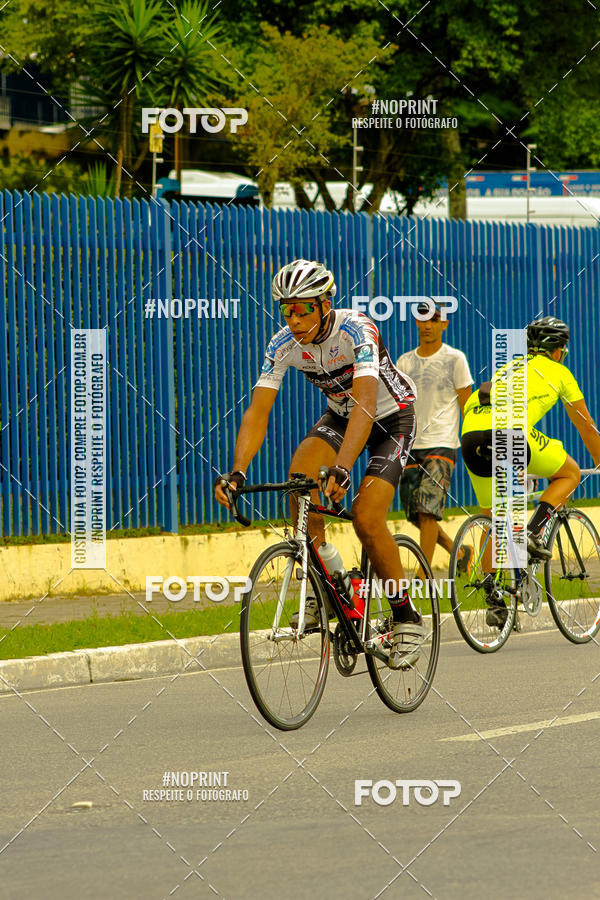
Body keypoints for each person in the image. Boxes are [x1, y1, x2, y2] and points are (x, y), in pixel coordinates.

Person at [214, 258, 423, 669]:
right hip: (342, 416)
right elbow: (258, 412)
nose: (293, 319)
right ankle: (326, 583)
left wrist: (344, 467)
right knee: (298, 484)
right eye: (286, 310)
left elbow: (365, 401)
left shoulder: (357, 329)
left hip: (390, 417)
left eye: (303, 308)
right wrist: (237, 471)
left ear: (326, 304)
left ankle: (405, 616)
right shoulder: (282, 345)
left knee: (365, 517)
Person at [460, 315, 600, 626]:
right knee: (570, 473)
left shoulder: (507, 368)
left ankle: (494, 597)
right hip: (509, 434)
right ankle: (534, 533)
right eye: (563, 350)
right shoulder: (559, 372)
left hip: (470, 435)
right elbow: (586, 426)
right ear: (556, 351)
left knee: (494, 521)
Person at [396, 302, 474, 570]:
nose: (428, 325)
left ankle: (422, 577)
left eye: (435, 319)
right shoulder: (404, 362)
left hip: (442, 444)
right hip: (411, 445)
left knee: (428, 512)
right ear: (417, 323)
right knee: (415, 513)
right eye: (423, 319)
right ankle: (459, 553)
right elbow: (399, 407)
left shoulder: (455, 359)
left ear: (444, 324)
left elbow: (467, 405)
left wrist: (474, 442)